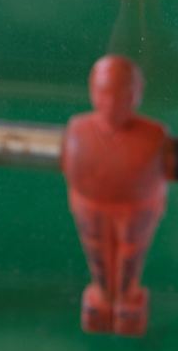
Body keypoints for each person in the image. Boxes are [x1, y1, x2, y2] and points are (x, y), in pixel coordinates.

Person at [61, 55, 171, 336]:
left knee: (130, 255)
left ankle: (126, 300)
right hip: (91, 207)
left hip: (136, 210)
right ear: (93, 93)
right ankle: (103, 297)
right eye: (104, 93)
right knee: (97, 252)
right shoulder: (78, 131)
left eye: (122, 94)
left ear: (136, 95)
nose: (111, 103)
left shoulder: (154, 136)